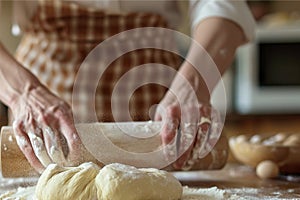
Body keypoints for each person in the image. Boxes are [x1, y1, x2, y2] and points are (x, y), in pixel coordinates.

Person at [0, 0, 255, 173]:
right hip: (45, 98)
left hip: (157, 97)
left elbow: (222, 5)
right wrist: (24, 93)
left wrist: (192, 87)